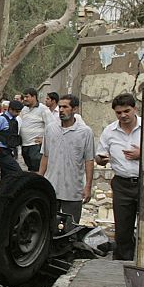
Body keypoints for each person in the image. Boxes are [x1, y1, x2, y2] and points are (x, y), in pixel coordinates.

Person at [96, 92, 144, 260]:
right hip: (122, 185)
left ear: (135, 109)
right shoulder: (110, 131)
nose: (123, 115)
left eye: (126, 111)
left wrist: (143, 154)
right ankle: (122, 264)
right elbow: (99, 157)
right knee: (123, 230)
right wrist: (101, 159)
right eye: (119, 112)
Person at [38, 94, 94, 223]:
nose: (61, 110)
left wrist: (88, 187)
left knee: (71, 226)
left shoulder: (85, 132)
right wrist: (40, 179)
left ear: (75, 109)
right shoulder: (50, 129)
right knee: (48, 225)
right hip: (51, 187)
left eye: (65, 107)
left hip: (73, 190)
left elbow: (89, 161)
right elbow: (45, 155)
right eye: (60, 107)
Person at [0, 100, 24, 178]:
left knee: (6, 176)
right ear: (10, 109)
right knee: (17, 172)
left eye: (19, 112)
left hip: (9, 150)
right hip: (1, 151)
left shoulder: (14, 120)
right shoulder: (1, 119)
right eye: (16, 111)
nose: (18, 114)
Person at [19, 88, 51, 172]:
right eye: (24, 97)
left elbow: (51, 126)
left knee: (37, 168)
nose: (25, 99)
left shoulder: (43, 109)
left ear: (34, 97)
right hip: (25, 145)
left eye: (27, 97)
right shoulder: (24, 109)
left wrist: (44, 139)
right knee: (30, 168)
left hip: (35, 145)